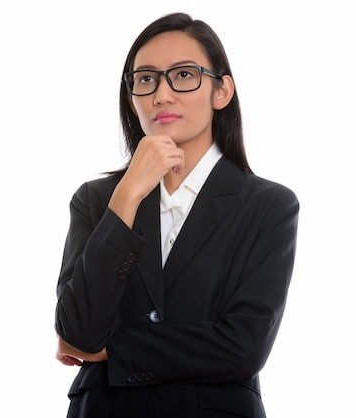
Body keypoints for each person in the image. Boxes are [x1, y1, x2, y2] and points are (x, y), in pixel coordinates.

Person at [54, 12, 299, 418]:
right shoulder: (97, 200)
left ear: (221, 92)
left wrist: (117, 350)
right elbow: (77, 330)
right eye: (146, 79)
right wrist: (128, 194)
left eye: (183, 75)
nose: (161, 95)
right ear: (131, 98)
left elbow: (244, 347)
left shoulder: (268, 205)